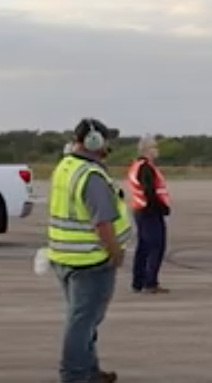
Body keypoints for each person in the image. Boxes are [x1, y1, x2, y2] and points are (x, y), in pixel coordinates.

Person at [46, 118, 134, 383]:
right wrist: (115, 252)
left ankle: (89, 370)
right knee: (82, 323)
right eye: (107, 140)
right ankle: (74, 376)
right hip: (90, 261)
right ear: (95, 142)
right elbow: (102, 222)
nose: (109, 146)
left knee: (85, 321)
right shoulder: (91, 176)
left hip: (65, 257)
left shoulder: (66, 166)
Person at [127, 134, 172, 295]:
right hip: (149, 211)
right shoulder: (146, 167)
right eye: (154, 147)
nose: (157, 150)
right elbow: (149, 191)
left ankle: (138, 282)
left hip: (141, 210)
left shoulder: (137, 165)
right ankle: (150, 282)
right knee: (156, 246)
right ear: (146, 150)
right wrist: (161, 207)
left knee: (144, 247)